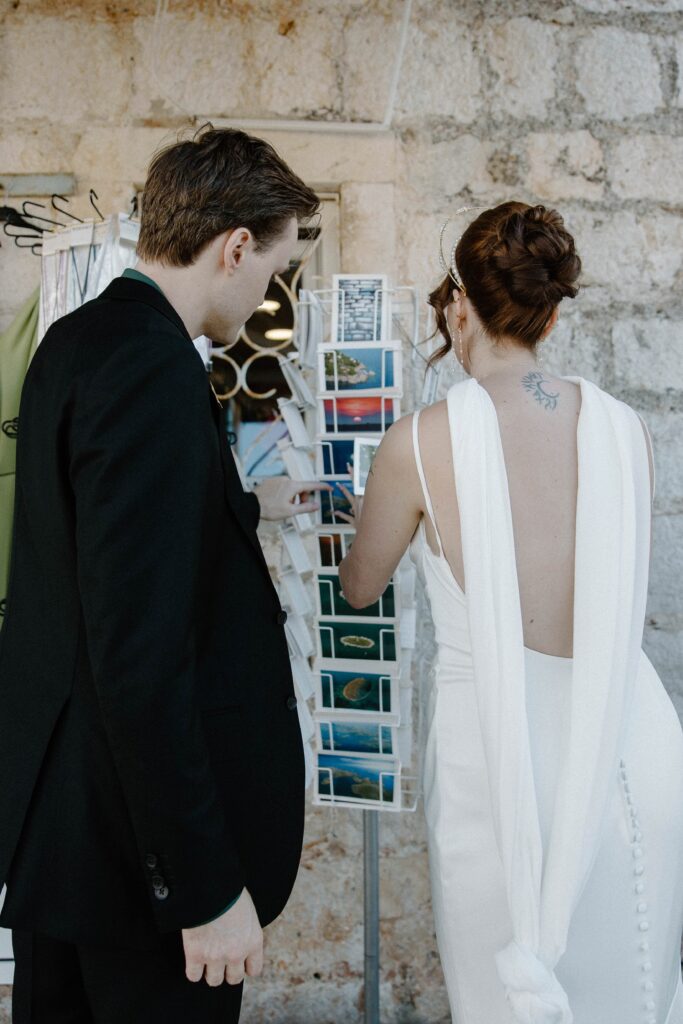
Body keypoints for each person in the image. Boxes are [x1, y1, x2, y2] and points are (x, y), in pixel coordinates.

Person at [0, 127, 327, 1024]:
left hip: (69, 843)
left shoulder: (74, 342)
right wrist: (201, 886)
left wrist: (244, 508)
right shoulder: (151, 367)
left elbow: (97, 561)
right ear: (233, 248)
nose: (269, 289)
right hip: (135, 875)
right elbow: (139, 651)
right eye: (274, 265)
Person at [338, 202, 683, 1024]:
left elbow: (359, 586)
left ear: (457, 303)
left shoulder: (416, 443)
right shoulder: (624, 428)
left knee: (501, 998)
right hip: (627, 738)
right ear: (552, 310)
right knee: (634, 982)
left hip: (496, 760)